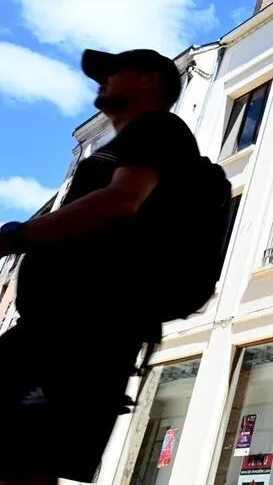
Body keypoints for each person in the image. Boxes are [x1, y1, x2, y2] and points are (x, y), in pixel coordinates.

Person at [0, 49, 208, 485]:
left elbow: (121, 201)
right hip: (75, 333)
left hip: (77, 334)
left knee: (21, 463)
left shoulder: (156, 128)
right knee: (25, 466)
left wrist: (15, 237)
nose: (103, 79)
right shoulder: (131, 143)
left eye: (115, 70)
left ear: (148, 79)